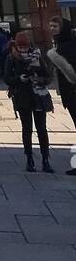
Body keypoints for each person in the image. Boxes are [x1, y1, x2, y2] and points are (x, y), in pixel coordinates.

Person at [5, 31, 54, 173]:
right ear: (16, 46)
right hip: (22, 97)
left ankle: (45, 159)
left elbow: (48, 75)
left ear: (29, 45)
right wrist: (19, 79)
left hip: (38, 96)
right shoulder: (11, 58)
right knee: (27, 129)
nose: (23, 50)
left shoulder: (37, 56)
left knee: (42, 129)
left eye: (25, 47)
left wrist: (40, 79)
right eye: (20, 47)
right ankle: (29, 159)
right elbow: (7, 78)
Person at [49, 18, 76, 176]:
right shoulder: (61, 44)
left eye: (55, 26)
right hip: (69, 94)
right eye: (50, 26)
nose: (52, 28)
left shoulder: (68, 46)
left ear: (63, 28)